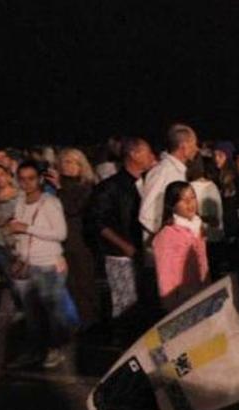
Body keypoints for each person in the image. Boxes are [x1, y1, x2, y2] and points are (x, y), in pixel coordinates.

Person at [5, 161, 78, 369]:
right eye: (22, 179)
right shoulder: (19, 201)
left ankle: (56, 350)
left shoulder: (50, 202)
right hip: (27, 264)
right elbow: (18, 230)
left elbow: (60, 233)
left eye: (31, 178)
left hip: (48, 265)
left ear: (39, 179)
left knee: (53, 313)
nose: (27, 183)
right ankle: (36, 350)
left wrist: (27, 227)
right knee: (32, 313)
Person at [89, 138, 155, 321]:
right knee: (125, 304)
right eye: (147, 152)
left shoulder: (146, 182)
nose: (152, 156)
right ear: (133, 154)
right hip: (120, 255)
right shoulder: (110, 187)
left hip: (141, 253)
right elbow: (97, 222)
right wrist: (125, 246)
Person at [47, 148, 99, 329]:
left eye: (72, 161)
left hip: (81, 241)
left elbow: (72, 208)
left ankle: (91, 321)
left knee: (85, 283)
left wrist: (60, 188)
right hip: (61, 242)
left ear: (81, 165)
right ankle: (79, 321)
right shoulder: (53, 187)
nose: (67, 165)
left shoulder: (86, 186)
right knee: (71, 285)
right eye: (64, 161)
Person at [152, 182, 209, 312]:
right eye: (183, 200)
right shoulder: (167, 235)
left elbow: (204, 265)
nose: (190, 203)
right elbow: (165, 278)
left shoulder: (197, 226)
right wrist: (170, 308)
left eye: (192, 197)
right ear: (172, 205)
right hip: (182, 303)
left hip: (201, 295)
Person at [139, 123, 199, 243]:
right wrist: (165, 238)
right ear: (184, 146)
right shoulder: (164, 172)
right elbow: (146, 213)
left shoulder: (175, 171)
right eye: (194, 144)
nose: (196, 148)